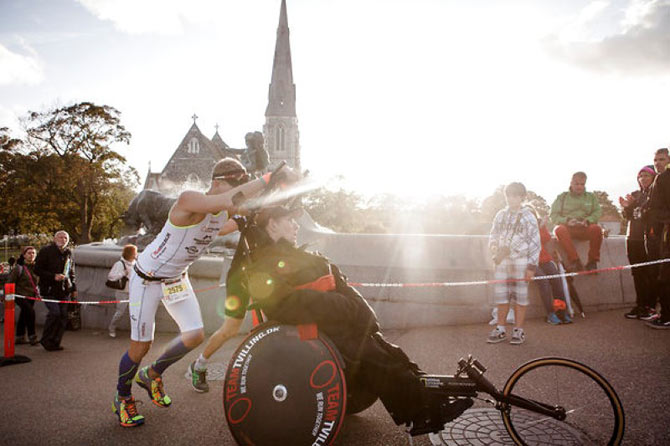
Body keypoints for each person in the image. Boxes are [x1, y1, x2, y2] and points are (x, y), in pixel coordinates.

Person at [197, 204, 473, 435]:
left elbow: (332, 283)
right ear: (272, 225)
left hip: (337, 320)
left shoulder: (296, 254)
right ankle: (421, 409)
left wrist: (359, 312)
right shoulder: (265, 263)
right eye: (289, 220)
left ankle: (427, 400)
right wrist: (346, 307)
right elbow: (287, 304)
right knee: (374, 356)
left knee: (388, 352)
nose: (295, 225)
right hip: (317, 328)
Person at [112, 158, 299, 428]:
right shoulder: (190, 200)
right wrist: (270, 177)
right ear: (217, 183)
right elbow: (227, 199)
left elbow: (257, 211)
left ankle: (152, 374)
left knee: (195, 335)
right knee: (141, 346)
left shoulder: (224, 213)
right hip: (147, 278)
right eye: (235, 185)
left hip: (176, 279)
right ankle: (122, 397)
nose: (239, 193)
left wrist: (285, 188)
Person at [487, 182, 540, 345]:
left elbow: (535, 243)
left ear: (523, 197)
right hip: (503, 261)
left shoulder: (528, 216)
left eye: (516, 195)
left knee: (520, 297)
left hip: (521, 261)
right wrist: (495, 249)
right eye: (509, 195)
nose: (512, 199)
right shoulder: (500, 215)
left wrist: (531, 266)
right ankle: (501, 328)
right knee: (501, 296)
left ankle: (518, 330)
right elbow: (493, 235)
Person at [620, 165, 657, 320]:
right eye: (640, 176)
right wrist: (627, 208)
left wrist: (637, 205)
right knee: (637, 274)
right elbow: (628, 217)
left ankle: (650, 307)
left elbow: (652, 213)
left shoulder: (656, 194)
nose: (643, 179)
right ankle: (640, 304)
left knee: (650, 274)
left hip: (649, 240)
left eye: (646, 176)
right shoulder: (635, 194)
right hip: (633, 238)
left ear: (654, 177)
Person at [550, 172, 603, 272]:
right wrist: (567, 221)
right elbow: (553, 215)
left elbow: (597, 212)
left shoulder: (591, 197)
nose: (579, 187)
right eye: (577, 184)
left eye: (582, 184)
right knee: (559, 229)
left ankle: (592, 262)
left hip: (585, 228)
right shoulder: (562, 197)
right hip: (568, 229)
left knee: (596, 229)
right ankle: (575, 260)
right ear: (571, 183)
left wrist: (588, 221)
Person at [34, 230, 77, 351]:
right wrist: (53, 276)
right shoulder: (46, 251)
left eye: (65, 238)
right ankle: (46, 339)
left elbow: (71, 272)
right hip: (49, 289)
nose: (62, 240)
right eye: (60, 237)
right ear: (54, 239)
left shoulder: (69, 253)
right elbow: (37, 269)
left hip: (64, 290)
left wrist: (74, 288)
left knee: (63, 316)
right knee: (55, 313)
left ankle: (55, 341)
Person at [647, 148, 670, 329]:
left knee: (665, 275)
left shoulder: (664, 178)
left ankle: (667, 316)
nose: (658, 163)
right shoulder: (659, 179)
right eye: (655, 160)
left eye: (661, 159)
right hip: (661, 230)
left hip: (666, 232)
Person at [535, 215, 572, 325]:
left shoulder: (539, 225)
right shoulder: (522, 225)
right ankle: (550, 314)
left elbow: (546, 239)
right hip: (529, 262)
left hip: (544, 259)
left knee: (557, 280)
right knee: (544, 282)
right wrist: (537, 228)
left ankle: (561, 311)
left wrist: (541, 227)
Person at [8, 246, 40, 345]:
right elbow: (10, 282)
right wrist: (6, 297)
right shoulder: (19, 268)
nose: (32, 255)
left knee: (24, 314)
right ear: (24, 255)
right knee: (30, 312)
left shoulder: (37, 268)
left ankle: (20, 337)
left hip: (31, 295)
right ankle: (32, 336)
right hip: (20, 295)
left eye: (33, 253)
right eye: (29, 253)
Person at [107, 244, 137, 338]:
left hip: (134, 292)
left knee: (135, 312)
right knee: (120, 312)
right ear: (130, 254)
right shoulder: (120, 264)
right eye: (135, 253)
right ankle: (112, 328)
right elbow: (111, 277)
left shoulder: (135, 263)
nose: (136, 254)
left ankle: (135, 332)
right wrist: (123, 273)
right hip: (122, 292)